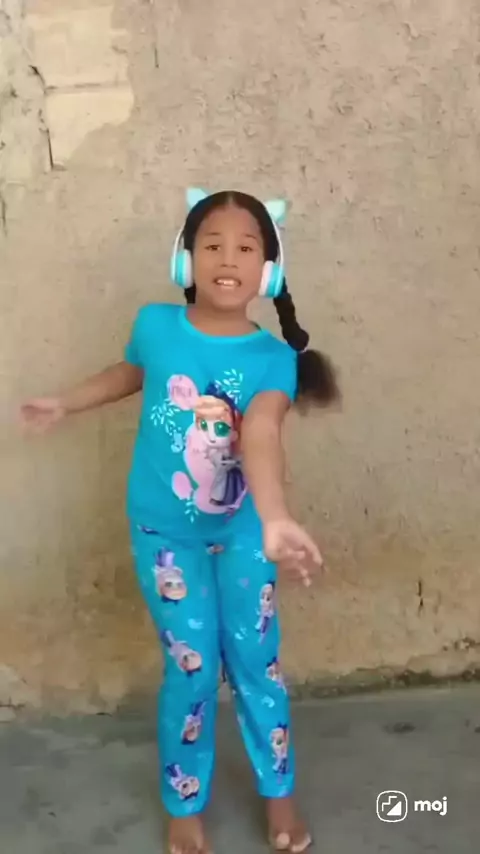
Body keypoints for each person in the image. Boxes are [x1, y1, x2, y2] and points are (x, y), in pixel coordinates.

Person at [21, 187, 340, 854]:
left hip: (246, 534)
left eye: (246, 248)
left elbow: (261, 435)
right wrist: (65, 403)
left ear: (269, 270)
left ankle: (279, 794)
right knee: (191, 670)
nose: (227, 258)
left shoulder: (273, 360)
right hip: (165, 537)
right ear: (184, 258)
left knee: (256, 663)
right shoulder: (155, 325)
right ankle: (183, 800)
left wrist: (274, 517)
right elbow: (129, 373)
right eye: (212, 245)